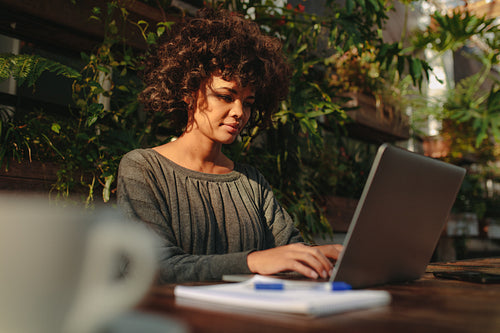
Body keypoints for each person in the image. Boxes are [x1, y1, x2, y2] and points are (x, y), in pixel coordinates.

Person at [117, 8, 342, 283]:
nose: (240, 112)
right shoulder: (144, 168)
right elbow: (153, 266)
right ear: (188, 92)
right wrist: (253, 261)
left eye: (248, 102)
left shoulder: (250, 182)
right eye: (226, 96)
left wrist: (327, 255)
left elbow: (290, 251)